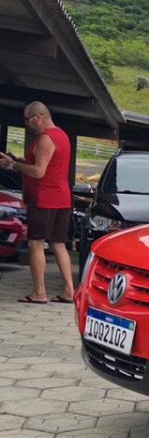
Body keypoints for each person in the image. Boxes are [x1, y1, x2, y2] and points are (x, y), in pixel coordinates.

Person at [0, 101, 75, 304]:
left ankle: (39, 293)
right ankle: (70, 291)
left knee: (35, 243)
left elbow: (39, 171)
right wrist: (17, 161)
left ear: (40, 116)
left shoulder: (46, 138)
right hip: (62, 198)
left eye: (28, 118)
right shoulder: (62, 135)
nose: (26, 123)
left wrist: (14, 165)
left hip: (44, 199)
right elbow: (47, 167)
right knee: (59, 244)